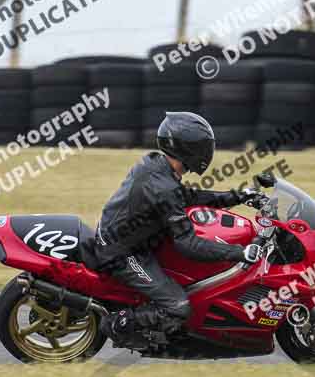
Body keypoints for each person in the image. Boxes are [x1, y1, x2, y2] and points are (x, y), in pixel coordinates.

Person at [92, 112, 261, 348]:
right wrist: (239, 253)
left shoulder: (157, 165)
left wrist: (238, 196)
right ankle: (116, 324)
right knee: (178, 307)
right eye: (204, 146)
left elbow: (188, 196)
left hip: (129, 239)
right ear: (189, 148)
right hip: (121, 253)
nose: (207, 151)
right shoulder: (164, 187)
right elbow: (188, 245)